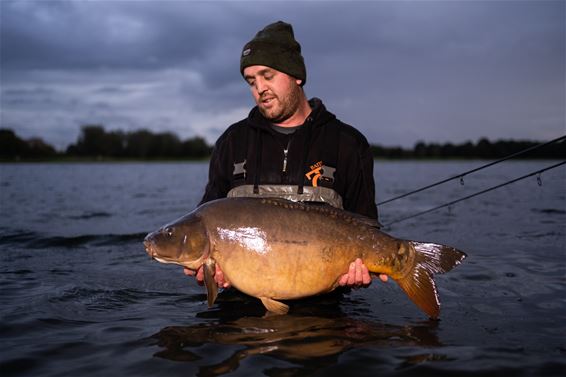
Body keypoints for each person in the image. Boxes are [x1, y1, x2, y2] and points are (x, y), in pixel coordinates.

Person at [184, 20, 388, 290]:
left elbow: (367, 228)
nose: (260, 89)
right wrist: (209, 271)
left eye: (268, 76)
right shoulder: (232, 142)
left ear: (296, 75)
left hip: (326, 309)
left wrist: (359, 275)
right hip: (242, 308)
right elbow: (208, 220)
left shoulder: (347, 143)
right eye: (251, 81)